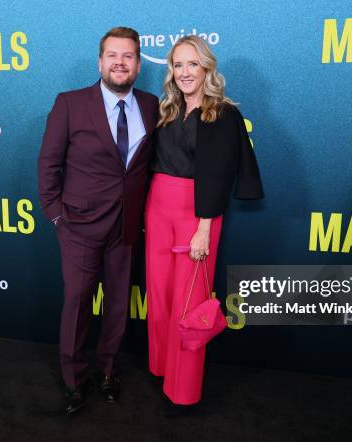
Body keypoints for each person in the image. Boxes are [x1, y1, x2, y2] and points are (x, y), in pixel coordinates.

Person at [37, 26, 159, 415]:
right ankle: (74, 379)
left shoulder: (152, 105)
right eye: (112, 55)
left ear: (139, 64)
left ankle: (107, 370)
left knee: (119, 305)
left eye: (127, 56)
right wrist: (56, 215)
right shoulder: (70, 103)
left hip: (126, 227)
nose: (119, 62)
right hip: (79, 226)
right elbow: (48, 163)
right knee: (77, 303)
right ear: (100, 61)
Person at [145, 35, 264, 417]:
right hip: (158, 208)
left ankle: (183, 389)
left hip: (197, 213)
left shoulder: (223, 114)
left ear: (207, 68)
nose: (184, 72)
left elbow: (219, 176)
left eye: (192, 64)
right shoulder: (167, 108)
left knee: (189, 302)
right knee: (160, 296)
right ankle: (161, 370)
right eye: (177, 65)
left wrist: (204, 229)